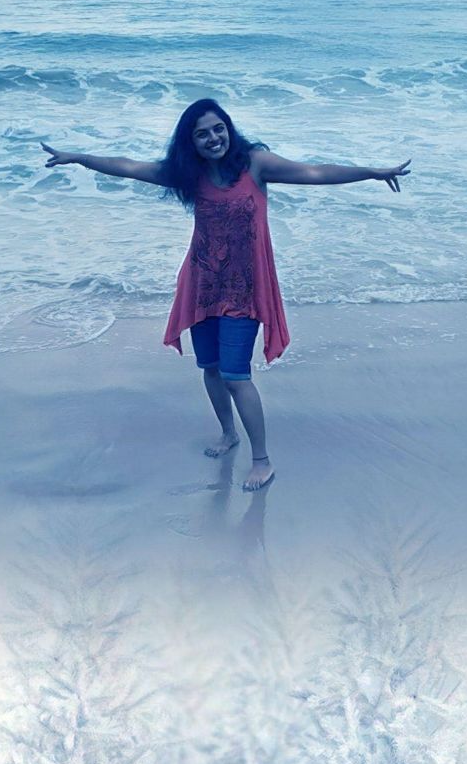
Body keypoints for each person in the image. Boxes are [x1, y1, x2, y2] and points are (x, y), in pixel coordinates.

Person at [41, 99, 410, 490]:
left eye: (218, 128)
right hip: (203, 284)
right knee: (211, 367)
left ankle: (262, 460)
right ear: (191, 142)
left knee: (236, 375)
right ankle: (228, 433)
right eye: (202, 134)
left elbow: (314, 171)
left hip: (244, 290)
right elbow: (130, 167)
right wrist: (80, 158)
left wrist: (372, 173)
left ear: (229, 128)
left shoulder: (255, 164)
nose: (213, 138)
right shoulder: (188, 174)